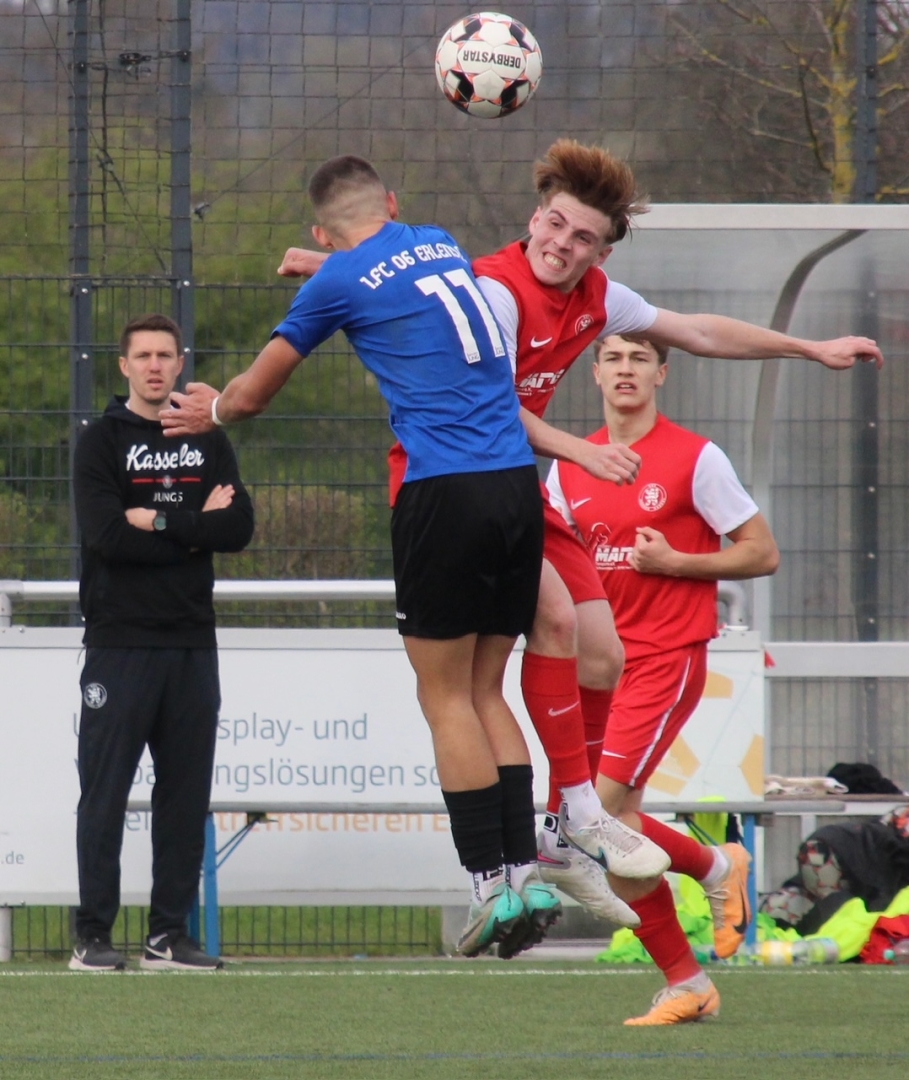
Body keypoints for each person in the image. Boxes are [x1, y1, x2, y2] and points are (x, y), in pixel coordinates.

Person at [274, 140, 883, 930]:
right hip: (455, 485)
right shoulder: (493, 291)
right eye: (554, 225)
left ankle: (569, 830)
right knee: (537, 636)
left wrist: (808, 348)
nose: (561, 245)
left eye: (582, 237)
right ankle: (568, 825)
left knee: (598, 652)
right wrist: (580, 449)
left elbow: (696, 331)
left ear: (601, 250)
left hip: (509, 484)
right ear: (534, 218)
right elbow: (483, 402)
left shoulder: (597, 297)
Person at [157, 155, 663, 959]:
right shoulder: (439, 242)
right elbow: (396, 286)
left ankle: (489, 884)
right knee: (486, 690)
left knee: (443, 698)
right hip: (514, 488)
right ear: (392, 204)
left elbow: (252, 395)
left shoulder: (336, 278)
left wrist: (209, 409)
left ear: (323, 231)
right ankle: (526, 871)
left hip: (442, 492)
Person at [547, 333, 780, 1024]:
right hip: (598, 668)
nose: (625, 370)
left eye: (639, 359)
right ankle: (691, 972)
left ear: (661, 374)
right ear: (594, 374)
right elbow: (555, 564)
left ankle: (711, 884)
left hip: (664, 657)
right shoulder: (569, 465)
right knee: (612, 827)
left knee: (591, 821)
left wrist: (677, 563)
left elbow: (761, 552)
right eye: (613, 359)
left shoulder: (695, 458)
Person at [70, 313, 254, 972]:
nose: (154, 366)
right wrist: (195, 527)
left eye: (165, 355)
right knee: (104, 793)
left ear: (180, 363)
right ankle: (92, 936)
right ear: (124, 366)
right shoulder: (99, 442)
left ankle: (168, 937)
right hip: (119, 643)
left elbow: (237, 529)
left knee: (184, 796)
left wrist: (159, 520)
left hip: (192, 644)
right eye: (143, 355)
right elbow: (106, 538)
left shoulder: (207, 436)